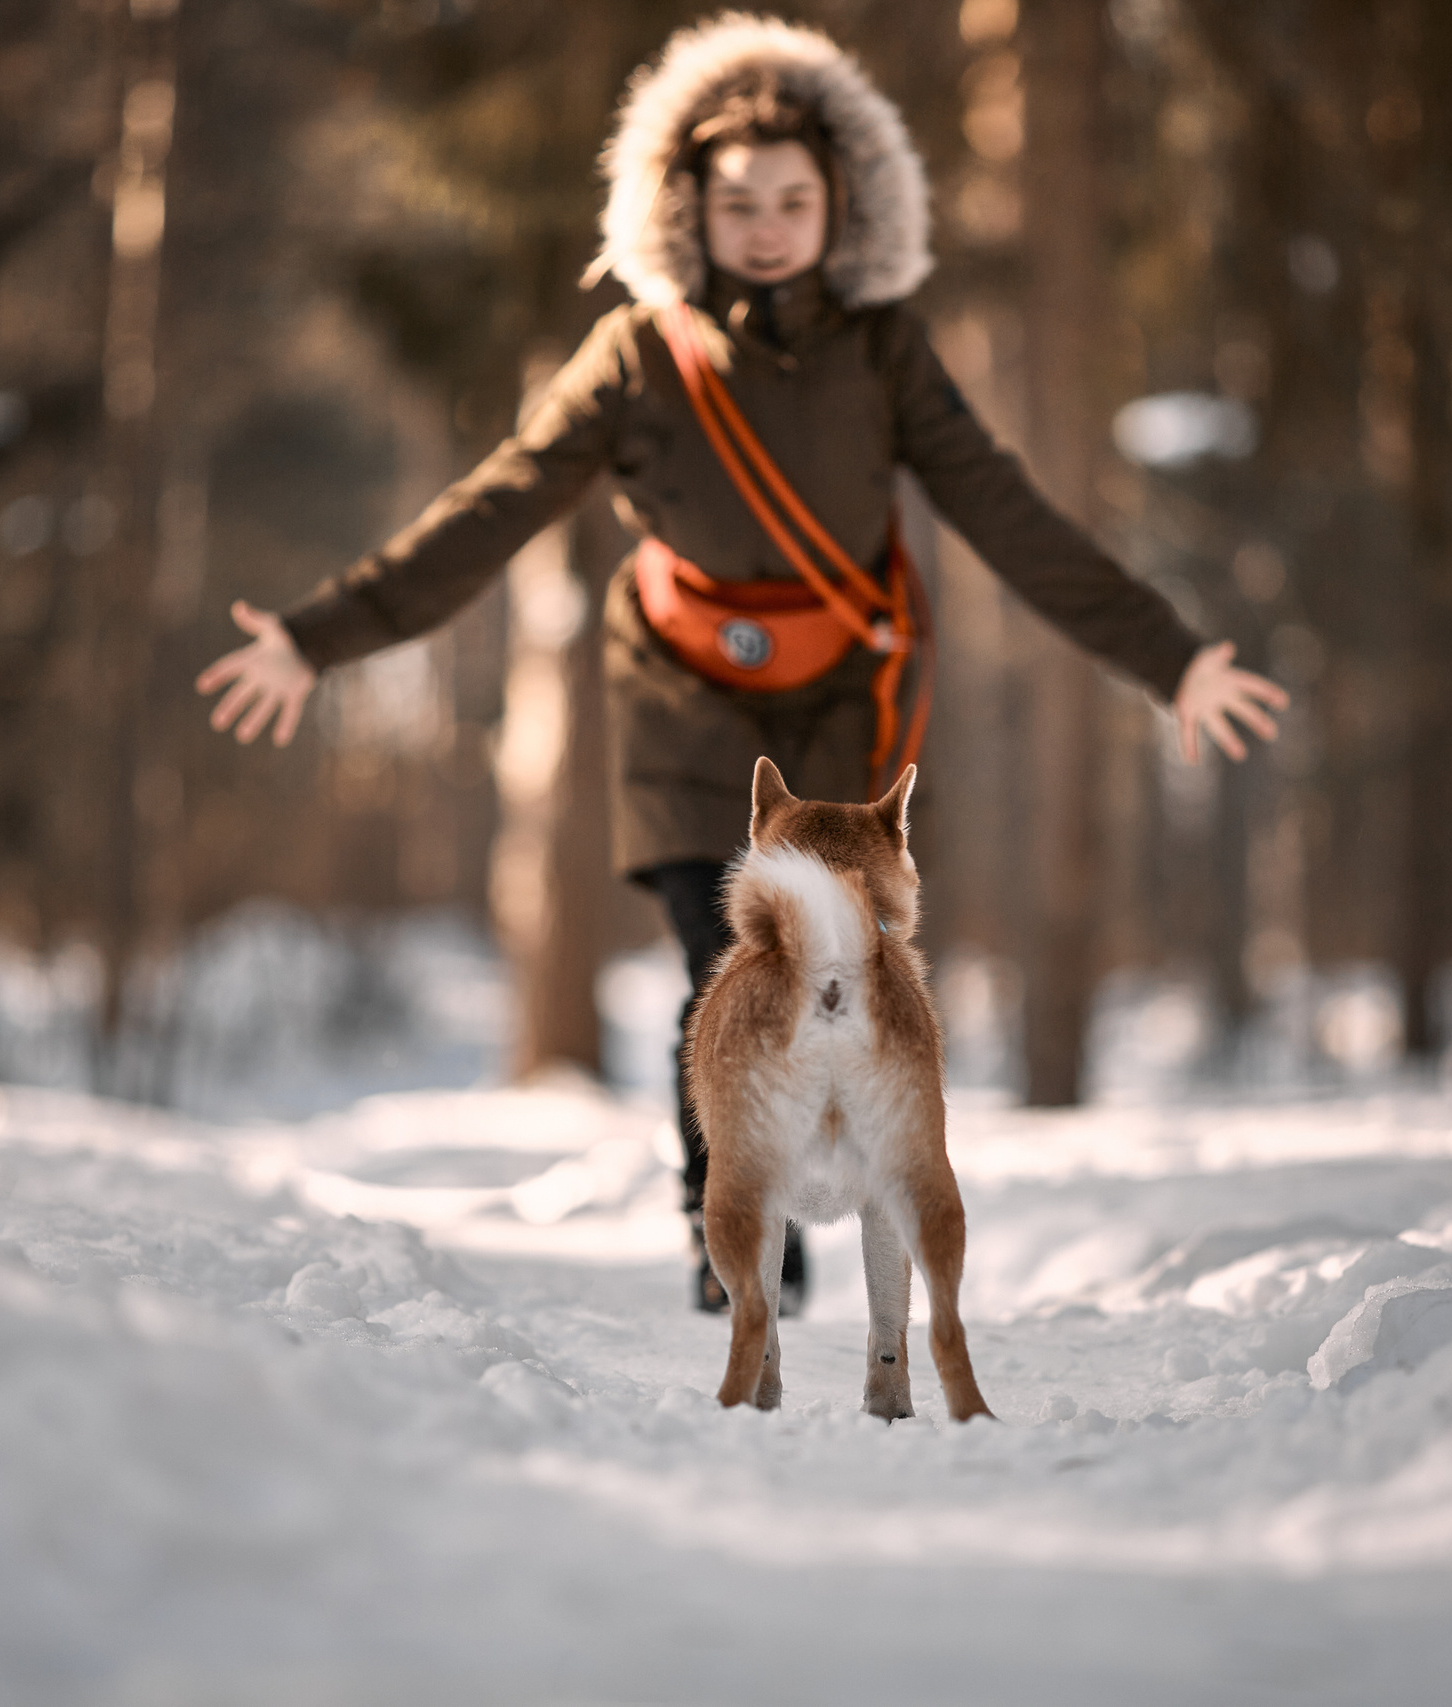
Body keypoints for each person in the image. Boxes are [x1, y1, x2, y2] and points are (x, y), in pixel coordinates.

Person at [196, 16, 1288, 1314]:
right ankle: (737, 1232)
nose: (765, 224)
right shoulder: (637, 355)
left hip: (840, 705)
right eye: (737, 202)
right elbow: (490, 509)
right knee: (726, 972)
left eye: (793, 199)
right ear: (688, 207)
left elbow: (1007, 513)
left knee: (837, 980)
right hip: (682, 702)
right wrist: (320, 640)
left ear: (843, 205)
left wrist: (1169, 661)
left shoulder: (884, 350)